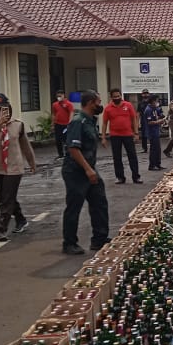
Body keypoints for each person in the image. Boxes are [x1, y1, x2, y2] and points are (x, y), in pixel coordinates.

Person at [0, 95, 36, 242]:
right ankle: (21, 219)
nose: (1, 113)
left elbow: (25, 145)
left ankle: (2, 229)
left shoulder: (18, 125)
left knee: (6, 198)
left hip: (14, 167)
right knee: (6, 196)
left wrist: (31, 162)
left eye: (3, 109)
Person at [61, 91, 110, 255]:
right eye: (98, 102)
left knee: (99, 202)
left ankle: (99, 238)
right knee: (74, 206)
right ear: (90, 103)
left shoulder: (90, 121)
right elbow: (73, 148)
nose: (100, 105)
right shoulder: (78, 121)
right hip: (76, 170)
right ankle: (69, 243)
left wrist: (90, 169)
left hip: (89, 168)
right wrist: (88, 170)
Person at [102, 88, 142, 184]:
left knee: (132, 156)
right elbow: (104, 123)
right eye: (114, 97)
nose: (117, 98)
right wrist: (103, 137)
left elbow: (134, 119)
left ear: (121, 96)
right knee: (117, 157)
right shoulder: (108, 108)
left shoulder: (128, 105)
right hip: (115, 135)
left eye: (118, 96)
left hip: (128, 135)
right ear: (111, 97)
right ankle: (120, 177)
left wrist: (136, 133)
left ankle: (136, 177)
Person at [142, 94, 166, 170]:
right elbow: (150, 122)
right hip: (151, 132)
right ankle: (152, 165)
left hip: (156, 131)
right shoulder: (148, 110)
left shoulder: (154, 109)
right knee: (153, 149)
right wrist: (159, 121)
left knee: (158, 149)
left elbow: (156, 117)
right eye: (156, 101)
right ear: (153, 101)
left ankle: (158, 164)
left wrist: (160, 119)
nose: (157, 102)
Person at [51, 90, 73, 159]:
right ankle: (60, 154)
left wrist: (70, 122)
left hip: (65, 125)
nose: (59, 98)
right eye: (57, 96)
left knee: (66, 139)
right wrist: (52, 124)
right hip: (58, 124)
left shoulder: (68, 104)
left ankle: (68, 154)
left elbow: (71, 113)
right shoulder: (55, 104)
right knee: (58, 140)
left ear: (63, 95)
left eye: (60, 96)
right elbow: (54, 114)